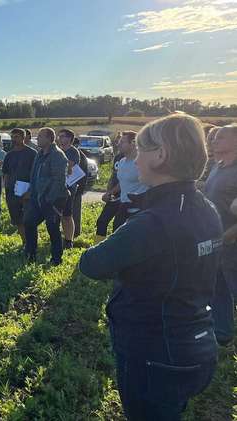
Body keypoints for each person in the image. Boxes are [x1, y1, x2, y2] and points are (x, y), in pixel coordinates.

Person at [79, 113, 222, 420]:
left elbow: (92, 264)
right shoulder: (205, 207)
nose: (136, 159)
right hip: (197, 344)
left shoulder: (152, 222)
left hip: (156, 354)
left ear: (160, 155)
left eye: (141, 151)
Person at [204, 125, 237, 346]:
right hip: (217, 239)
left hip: (231, 240)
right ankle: (223, 332)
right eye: (214, 137)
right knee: (219, 286)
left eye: (221, 137)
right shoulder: (218, 166)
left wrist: (229, 235)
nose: (214, 140)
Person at [24, 127, 68, 265]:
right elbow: (34, 174)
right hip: (37, 198)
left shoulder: (58, 155)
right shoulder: (40, 153)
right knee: (29, 222)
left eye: (41, 136)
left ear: (49, 139)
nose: (38, 138)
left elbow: (59, 180)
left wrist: (50, 199)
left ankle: (56, 258)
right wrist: (31, 190)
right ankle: (30, 254)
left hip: (52, 199)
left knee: (53, 228)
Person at [3, 128, 37, 246]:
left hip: (27, 190)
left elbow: (36, 173)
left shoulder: (32, 153)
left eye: (16, 137)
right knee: (17, 219)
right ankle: (25, 242)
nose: (14, 139)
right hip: (12, 191)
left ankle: (32, 242)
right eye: (12, 137)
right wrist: (6, 189)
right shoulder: (9, 155)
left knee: (28, 218)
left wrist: (31, 190)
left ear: (23, 138)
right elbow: (6, 173)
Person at [112, 131, 148, 231]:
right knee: (116, 234)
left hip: (139, 209)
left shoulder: (142, 162)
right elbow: (123, 182)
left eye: (122, 142)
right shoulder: (122, 162)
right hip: (123, 206)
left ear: (133, 143)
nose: (118, 144)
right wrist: (110, 193)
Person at [95, 133, 125, 243]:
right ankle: (98, 248)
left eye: (122, 142)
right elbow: (113, 176)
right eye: (118, 141)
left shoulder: (135, 160)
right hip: (114, 196)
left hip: (125, 198)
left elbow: (124, 181)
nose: (118, 144)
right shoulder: (118, 157)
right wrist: (108, 192)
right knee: (102, 221)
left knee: (118, 226)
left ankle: (116, 251)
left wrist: (111, 192)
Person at [57, 129, 81, 249]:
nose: (60, 138)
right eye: (59, 136)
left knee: (67, 215)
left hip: (69, 187)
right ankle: (60, 237)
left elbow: (69, 166)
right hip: (57, 186)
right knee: (58, 214)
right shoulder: (57, 150)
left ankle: (69, 240)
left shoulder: (73, 151)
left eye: (62, 136)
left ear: (69, 139)